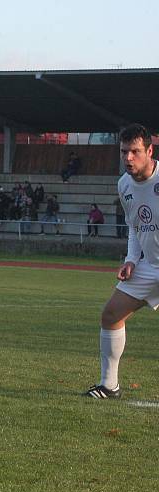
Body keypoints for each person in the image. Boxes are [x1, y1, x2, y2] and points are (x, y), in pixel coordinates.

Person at [86, 124, 158, 399]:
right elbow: (135, 226)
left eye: (135, 152)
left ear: (149, 151)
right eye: (124, 151)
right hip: (149, 266)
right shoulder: (124, 184)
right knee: (111, 315)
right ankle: (109, 385)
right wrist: (131, 259)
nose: (128, 158)